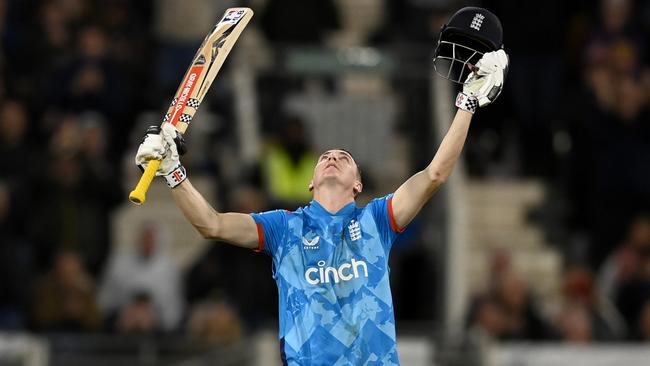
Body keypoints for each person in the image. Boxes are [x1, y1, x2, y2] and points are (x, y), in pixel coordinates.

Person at [135, 49, 508, 364]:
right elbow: (212, 224)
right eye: (325, 157)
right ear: (311, 182)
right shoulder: (283, 228)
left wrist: (467, 104)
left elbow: (436, 174)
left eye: (343, 157)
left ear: (358, 184)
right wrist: (173, 172)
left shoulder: (377, 220)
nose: (332, 158)